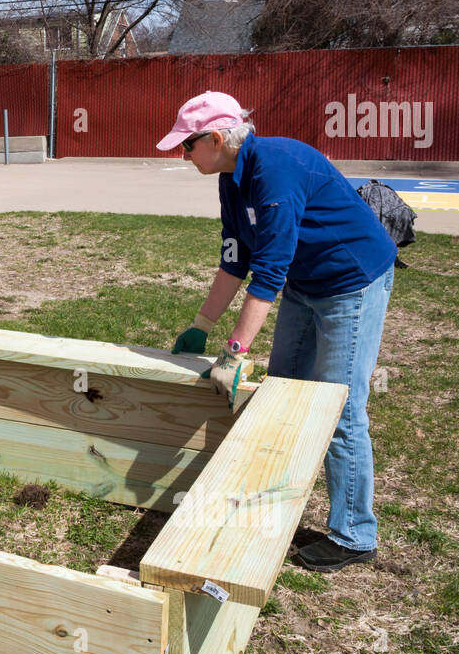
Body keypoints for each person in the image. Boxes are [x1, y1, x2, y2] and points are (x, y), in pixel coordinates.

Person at [161, 91, 397, 572]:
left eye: (187, 145)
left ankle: (354, 534)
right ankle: (278, 505)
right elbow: (236, 258)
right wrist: (200, 326)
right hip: (306, 283)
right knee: (284, 390)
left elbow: (268, 271)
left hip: (350, 282)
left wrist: (234, 352)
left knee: (340, 405)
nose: (182, 155)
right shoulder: (232, 177)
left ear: (218, 137)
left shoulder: (276, 167)